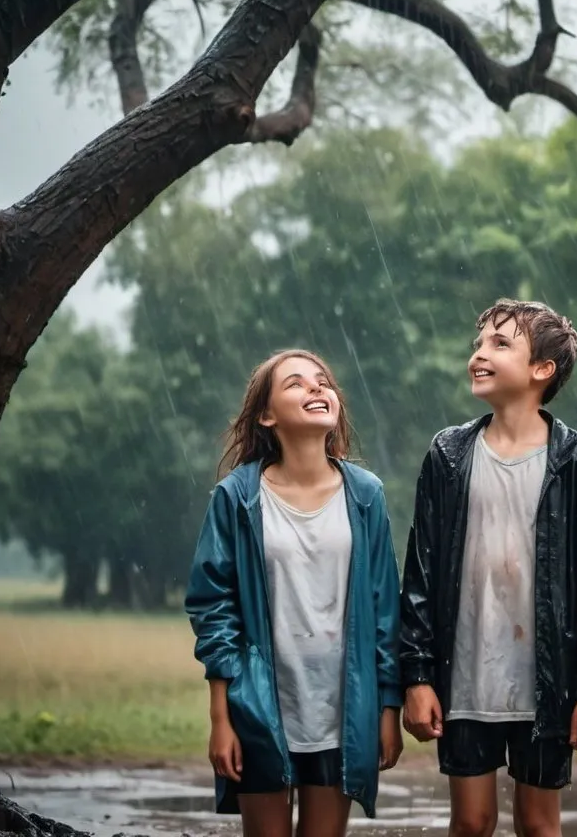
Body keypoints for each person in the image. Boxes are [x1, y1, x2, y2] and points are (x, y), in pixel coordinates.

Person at [400, 298, 577, 837]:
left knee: (538, 824)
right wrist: (416, 675)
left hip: (549, 684)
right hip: (465, 676)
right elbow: (421, 575)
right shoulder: (449, 455)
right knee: (472, 821)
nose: (480, 353)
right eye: (478, 342)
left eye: (499, 344)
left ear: (541, 370)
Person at [185, 349, 403, 837]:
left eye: (322, 381)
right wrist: (222, 717)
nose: (316, 389)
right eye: (296, 384)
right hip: (259, 706)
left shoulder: (366, 494)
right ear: (267, 416)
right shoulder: (237, 498)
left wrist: (388, 708)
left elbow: (384, 607)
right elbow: (213, 609)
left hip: (342, 710)